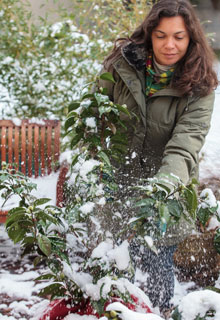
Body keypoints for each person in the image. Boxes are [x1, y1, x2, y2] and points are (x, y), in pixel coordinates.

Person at [97, 0, 218, 317]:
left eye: (179, 36)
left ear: (191, 38)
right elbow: (95, 114)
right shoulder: (122, 66)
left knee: (154, 294)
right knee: (111, 287)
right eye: (161, 35)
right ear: (149, 34)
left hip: (164, 199)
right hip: (116, 191)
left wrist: (160, 192)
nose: (170, 45)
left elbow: (185, 145)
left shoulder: (200, 87)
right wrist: (95, 162)